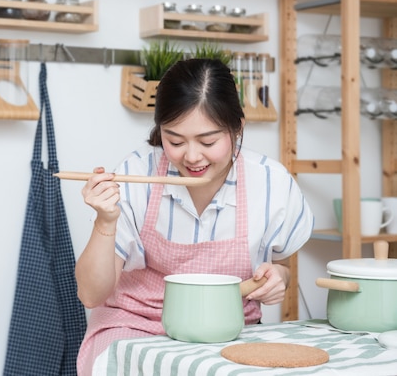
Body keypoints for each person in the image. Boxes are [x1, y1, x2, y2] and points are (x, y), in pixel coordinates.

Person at [75, 58, 314, 375]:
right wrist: (105, 220)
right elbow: (91, 295)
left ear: (237, 128)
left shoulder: (272, 183)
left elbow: (280, 267)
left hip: (228, 330)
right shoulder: (135, 173)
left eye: (208, 141)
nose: (191, 156)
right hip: (135, 325)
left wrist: (277, 280)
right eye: (174, 141)